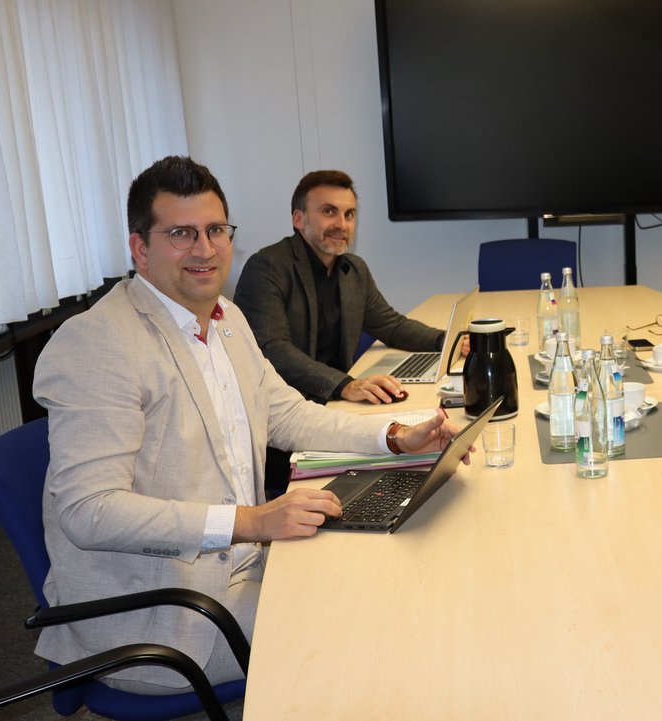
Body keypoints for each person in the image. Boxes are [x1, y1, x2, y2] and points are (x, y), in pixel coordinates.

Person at [32, 156, 467, 695]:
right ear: (139, 248)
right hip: (166, 614)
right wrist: (252, 521)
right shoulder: (98, 343)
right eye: (181, 233)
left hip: (247, 566)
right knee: (368, 635)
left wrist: (396, 434)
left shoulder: (226, 319)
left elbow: (287, 414)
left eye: (215, 229)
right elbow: (88, 512)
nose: (205, 248)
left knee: (394, 580)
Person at [234, 169, 446, 405]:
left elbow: (390, 325)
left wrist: (447, 341)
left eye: (349, 214)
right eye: (329, 212)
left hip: (337, 400)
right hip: (287, 407)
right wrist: (344, 384)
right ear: (298, 219)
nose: (342, 224)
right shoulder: (266, 268)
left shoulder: (354, 270)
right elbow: (272, 349)